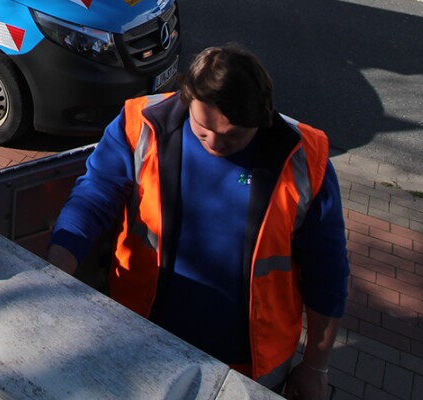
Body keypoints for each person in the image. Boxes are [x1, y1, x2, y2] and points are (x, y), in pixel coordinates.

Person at [46, 45, 348, 399]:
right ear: (186, 97)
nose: (216, 143)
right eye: (203, 128)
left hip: (250, 369)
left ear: (262, 119)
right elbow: (92, 199)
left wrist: (315, 365)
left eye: (234, 135)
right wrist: (54, 275)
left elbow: (327, 273)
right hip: (142, 339)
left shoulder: (303, 159)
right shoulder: (140, 124)